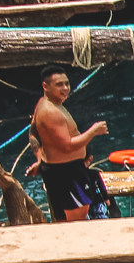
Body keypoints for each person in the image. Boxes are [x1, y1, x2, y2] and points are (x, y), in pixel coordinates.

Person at [31, 65, 114, 222]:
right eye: (59, 85)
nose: (65, 88)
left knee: (69, 219)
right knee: (76, 220)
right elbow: (67, 146)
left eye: (67, 84)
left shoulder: (45, 104)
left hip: (63, 169)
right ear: (45, 86)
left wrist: (39, 160)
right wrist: (93, 131)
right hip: (66, 172)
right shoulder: (50, 112)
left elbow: (33, 133)